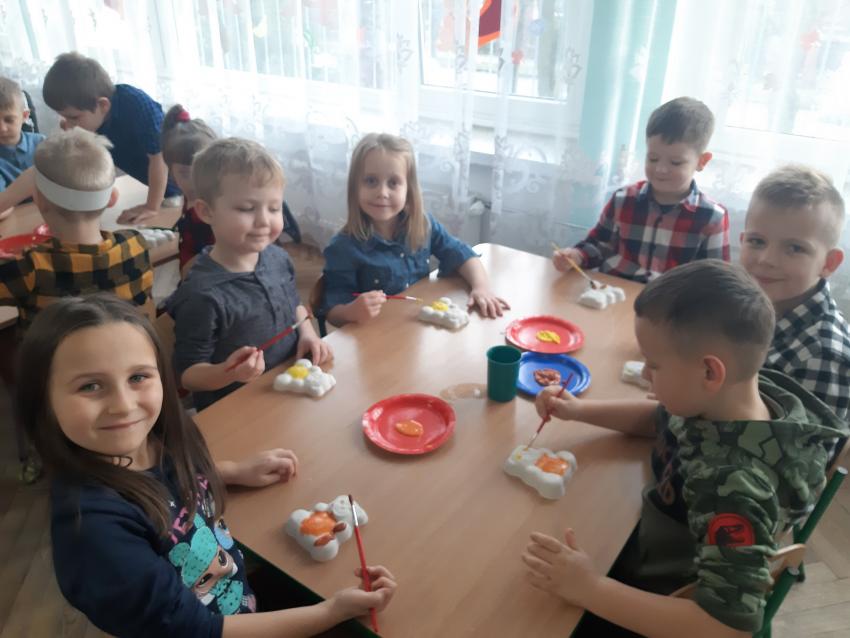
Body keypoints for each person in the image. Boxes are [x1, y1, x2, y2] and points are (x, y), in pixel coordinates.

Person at [16, 294, 396, 637]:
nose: (123, 405)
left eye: (138, 377)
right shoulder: (93, 534)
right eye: (90, 386)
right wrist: (332, 612)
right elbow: (201, 631)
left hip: (236, 598)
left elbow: (166, 482)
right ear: (42, 399)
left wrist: (232, 472)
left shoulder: (154, 439)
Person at [525, 259, 847, 636]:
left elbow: (727, 627)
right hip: (647, 543)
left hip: (658, 602)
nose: (645, 373)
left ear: (710, 372)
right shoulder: (732, 399)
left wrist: (590, 588)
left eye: (654, 365)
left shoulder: (734, 489)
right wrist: (579, 411)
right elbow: (661, 420)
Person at [167, 138, 331, 411]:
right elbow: (188, 374)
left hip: (288, 391)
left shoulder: (277, 257)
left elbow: (294, 305)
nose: (264, 220)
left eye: (274, 208)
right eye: (246, 208)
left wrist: (307, 334)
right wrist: (229, 373)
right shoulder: (202, 295)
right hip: (237, 411)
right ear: (206, 212)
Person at [320, 132, 509, 325]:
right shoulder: (343, 247)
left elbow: (460, 253)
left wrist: (481, 287)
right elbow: (332, 311)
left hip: (417, 327)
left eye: (393, 183)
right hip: (376, 335)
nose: (382, 192)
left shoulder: (423, 225)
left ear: (408, 190)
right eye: (370, 181)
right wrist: (351, 312)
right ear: (355, 187)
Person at [553, 97, 729, 282]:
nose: (661, 169)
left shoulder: (713, 217)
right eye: (653, 158)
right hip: (614, 292)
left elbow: (715, 280)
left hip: (668, 298)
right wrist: (577, 256)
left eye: (675, 162)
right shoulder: (623, 199)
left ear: (702, 161)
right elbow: (598, 244)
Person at [740, 164, 849, 425]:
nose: (766, 259)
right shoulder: (746, 305)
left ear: (829, 263)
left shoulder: (821, 356)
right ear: (742, 240)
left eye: (795, 248)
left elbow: (808, 449)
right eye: (757, 241)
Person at [41, 51, 179, 223]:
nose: (68, 124)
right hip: (159, 188)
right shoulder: (92, 116)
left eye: (73, 117)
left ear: (103, 105)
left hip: (186, 184)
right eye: (63, 117)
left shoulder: (136, 105)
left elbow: (160, 157)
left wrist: (151, 207)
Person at [160, 103, 217, 272]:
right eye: (185, 173)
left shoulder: (216, 207)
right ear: (171, 172)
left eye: (202, 170)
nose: (194, 180)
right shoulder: (189, 196)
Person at [0, 76, 44, 220]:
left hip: (51, 214)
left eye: (9, 120)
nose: (2, 128)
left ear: (24, 116)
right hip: (14, 222)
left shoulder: (43, 144)